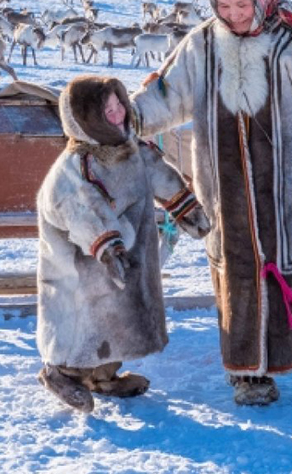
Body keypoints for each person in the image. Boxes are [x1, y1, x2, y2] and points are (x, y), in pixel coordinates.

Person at [130, 0, 292, 406]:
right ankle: (247, 375)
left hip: (288, 191)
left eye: (241, 5)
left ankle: (276, 360)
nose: (233, 16)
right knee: (237, 275)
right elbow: (165, 96)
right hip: (224, 191)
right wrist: (125, 118)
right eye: (223, 6)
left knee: (279, 274)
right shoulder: (201, 46)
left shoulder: (291, 45)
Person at [36, 75, 211, 413]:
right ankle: (59, 371)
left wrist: (186, 209)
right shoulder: (77, 166)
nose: (116, 115)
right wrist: (108, 247)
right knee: (82, 315)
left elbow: (159, 173)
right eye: (106, 111)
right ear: (85, 119)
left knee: (118, 314)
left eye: (119, 106)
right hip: (81, 260)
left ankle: (102, 376)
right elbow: (83, 210)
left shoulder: (130, 148)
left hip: (125, 254)